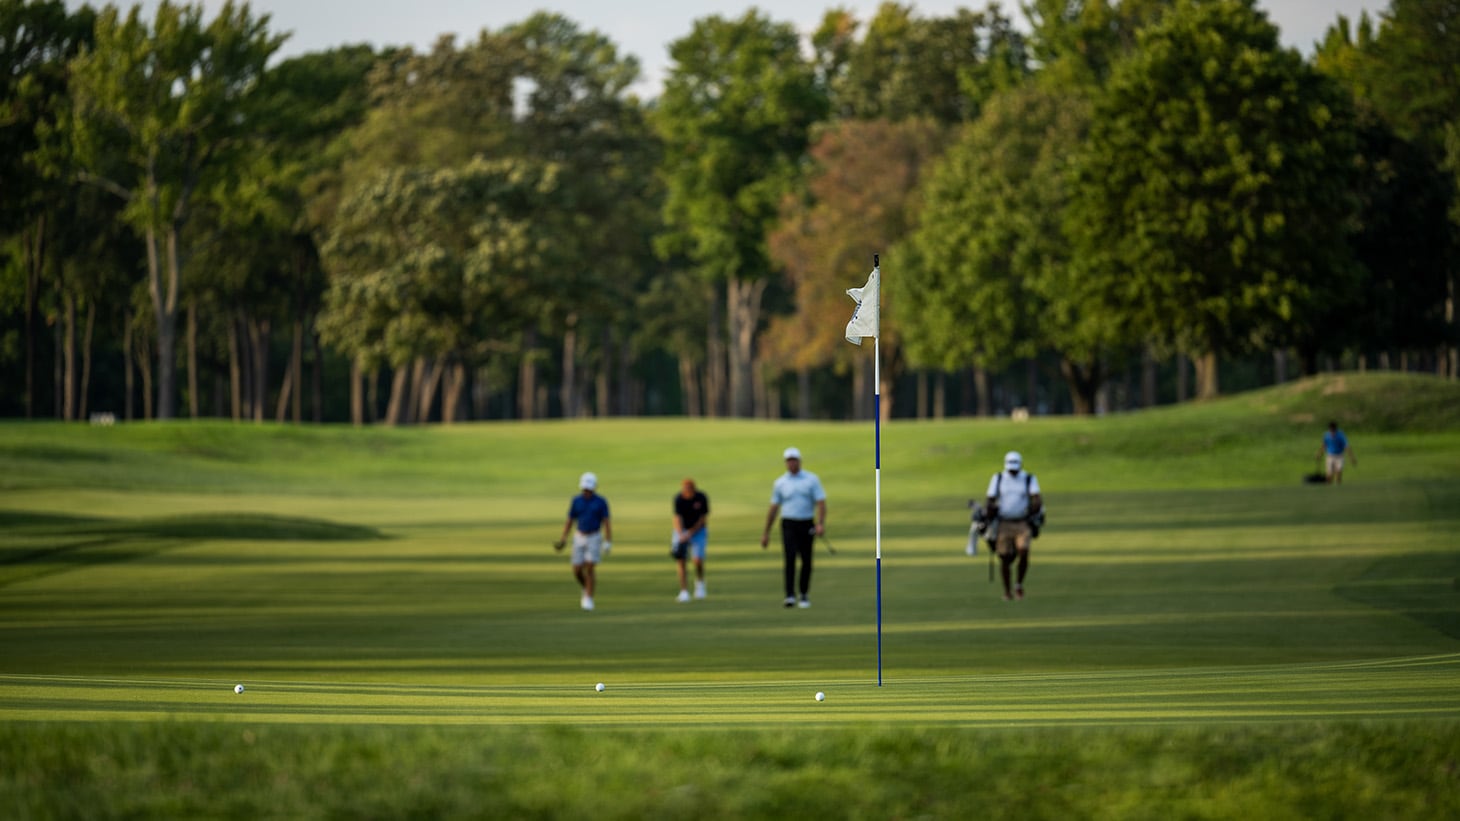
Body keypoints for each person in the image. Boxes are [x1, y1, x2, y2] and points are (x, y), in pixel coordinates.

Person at [760, 447, 827, 608]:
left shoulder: (811, 479)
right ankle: (789, 595)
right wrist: (766, 532)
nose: (791, 463)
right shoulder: (780, 483)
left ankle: (803, 594)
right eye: (789, 460)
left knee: (806, 560)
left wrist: (820, 523)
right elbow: (774, 508)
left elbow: (821, 503)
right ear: (786, 463)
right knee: (789, 559)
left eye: (794, 460)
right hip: (788, 524)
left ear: (799, 461)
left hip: (806, 523)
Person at [986, 451, 1042, 601]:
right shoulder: (998, 478)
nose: (1013, 470)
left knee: (1024, 551)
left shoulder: (1028, 479)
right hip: (1003, 523)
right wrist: (989, 515)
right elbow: (990, 499)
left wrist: (1033, 512)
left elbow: (1036, 499)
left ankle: (1018, 585)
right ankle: (1007, 590)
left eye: (1015, 466)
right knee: (1005, 558)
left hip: (1022, 522)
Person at [555, 471, 611, 611]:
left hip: (594, 536)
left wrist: (608, 541)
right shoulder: (576, 501)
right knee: (577, 569)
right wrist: (563, 538)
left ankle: (588, 597)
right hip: (579, 536)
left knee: (590, 566)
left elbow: (606, 522)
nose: (587, 491)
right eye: (585, 488)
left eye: (589, 489)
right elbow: (570, 520)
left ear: (594, 488)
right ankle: (586, 588)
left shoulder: (600, 502)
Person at [672, 478, 710, 602]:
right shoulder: (678, 499)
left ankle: (700, 583)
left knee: (697, 559)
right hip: (682, 531)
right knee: (681, 559)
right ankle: (684, 591)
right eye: (685, 489)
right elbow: (677, 518)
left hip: (698, 531)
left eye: (690, 488)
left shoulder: (701, 498)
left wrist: (690, 533)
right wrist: (681, 534)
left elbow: (702, 519)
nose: (687, 491)